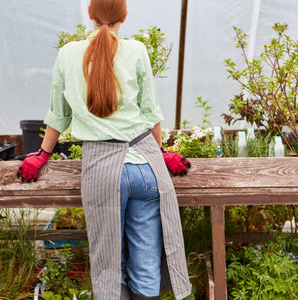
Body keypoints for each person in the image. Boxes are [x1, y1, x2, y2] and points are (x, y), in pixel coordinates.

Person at [17, 0, 192, 299]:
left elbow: (59, 115)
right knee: (147, 262)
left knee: (108, 264)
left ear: (90, 15)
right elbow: (151, 115)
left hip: (101, 172)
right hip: (146, 167)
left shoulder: (68, 54)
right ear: (124, 15)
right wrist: (161, 152)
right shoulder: (136, 51)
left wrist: (42, 154)